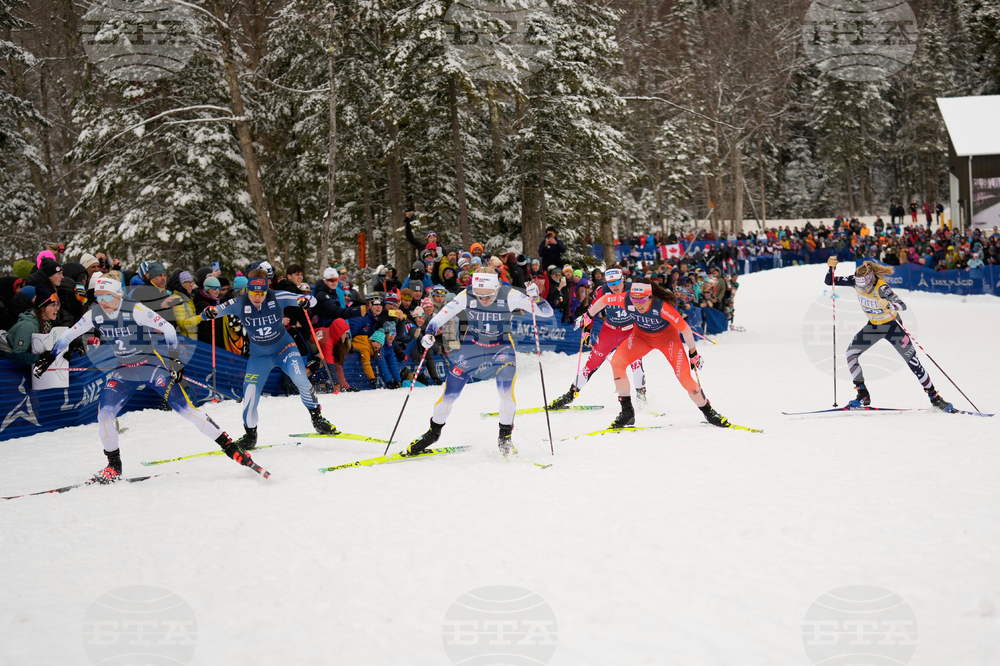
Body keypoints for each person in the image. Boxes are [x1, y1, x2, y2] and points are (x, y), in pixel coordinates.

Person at [32, 275, 260, 482]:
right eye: (99, 296)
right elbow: (70, 334)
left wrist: (174, 360)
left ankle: (231, 448)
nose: (102, 300)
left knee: (186, 410)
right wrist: (49, 357)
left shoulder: (135, 309)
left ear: (118, 295)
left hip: (151, 366)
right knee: (104, 414)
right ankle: (113, 465)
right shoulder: (94, 314)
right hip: (124, 372)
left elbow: (169, 329)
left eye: (108, 295)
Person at [404, 267, 553, 458]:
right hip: (472, 346)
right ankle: (432, 434)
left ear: (497, 286)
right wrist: (430, 333)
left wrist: (537, 298)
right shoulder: (467, 295)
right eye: (479, 296)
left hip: (501, 347)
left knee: (506, 394)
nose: (483, 300)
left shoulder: (511, 295)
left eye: (488, 296)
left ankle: (505, 440)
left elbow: (546, 312)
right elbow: (440, 318)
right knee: (449, 395)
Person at [201, 269, 337, 450]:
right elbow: (210, 312)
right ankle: (250, 436)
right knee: (249, 393)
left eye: (261, 293)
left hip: (285, 349)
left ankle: (318, 419)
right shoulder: (239, 303)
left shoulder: (277, 296)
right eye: (253, 293)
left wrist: (303, 301)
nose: (257, 297)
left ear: (267, 290)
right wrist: (209, 312)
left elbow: (311, 300)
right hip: (260, 356)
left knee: (300, 379)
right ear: (248, 289)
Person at [588, 278, 730, 429]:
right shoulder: (626, 299)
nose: (637, 304)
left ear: (650, 296)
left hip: (667, 340)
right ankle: (627, 413)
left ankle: (709, 412)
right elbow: (603, 300)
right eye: (634, 300)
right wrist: (588, 316)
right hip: (641, 337)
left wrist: (693, 353)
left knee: (685, 378)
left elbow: (685, 330)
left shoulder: (662, 307)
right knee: (617, 362)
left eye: (642, 300)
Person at [824, 258, 953, 411]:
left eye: (865, 286)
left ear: (871, 280)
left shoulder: (882, 288)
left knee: (913, 362)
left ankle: (934, 397)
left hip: (893, 328)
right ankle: (862, 393)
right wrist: (831, 268)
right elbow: (829, 281)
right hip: (874, 327)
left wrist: (889, 304)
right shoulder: (856, 281)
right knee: (851, 354)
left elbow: (902, 305)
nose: (863, 289)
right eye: (860, 286)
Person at [549, 266, 646, 410]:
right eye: (610, 283)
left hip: (630, 331)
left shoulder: (634, 289)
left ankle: (642, 400)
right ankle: (570, 395)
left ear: (623, 279)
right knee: (590, 365)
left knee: (636, 363)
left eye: (616, 282)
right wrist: (587, 332)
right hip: (610, 332)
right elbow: (591, 312)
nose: (613, 287)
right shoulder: (602, 291)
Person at [3, 291, 63, 365]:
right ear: (43, 308)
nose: (57, 308)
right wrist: (41, 357)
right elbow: (17, 355)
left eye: (58, 305)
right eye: (53, 305)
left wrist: (63, 354)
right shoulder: (28, 326)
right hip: (6, 356)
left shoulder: (48, 323)